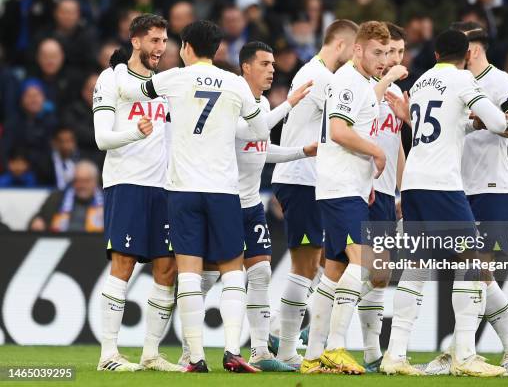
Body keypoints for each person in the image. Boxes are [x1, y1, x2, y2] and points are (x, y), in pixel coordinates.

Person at [113, 19, 269, 373]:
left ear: (185, 47)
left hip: (182, 189)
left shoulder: (172, 78)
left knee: (188, 273)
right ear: (215, 50)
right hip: (223, 190)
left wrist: (121, 66)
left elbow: (129, 91)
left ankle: (195, 358)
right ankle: (232, 352)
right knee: (232, 271)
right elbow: (259, 128)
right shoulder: (235, 83)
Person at [177, 41, 315, 372]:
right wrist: (289, 105)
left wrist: (301, 152)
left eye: (272, 64)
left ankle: (258, 351)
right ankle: (188, 350)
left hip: (252, 204)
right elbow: (245, 130)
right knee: (208, 280)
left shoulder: (262, 103)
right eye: (265, 64)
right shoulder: (232, 98)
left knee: (261, 272)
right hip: (223, 202)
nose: (272, 69)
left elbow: (260, 147)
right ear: (246, 68)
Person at [384, 29, 507, 377]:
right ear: (467, 54)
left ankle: (395, 355)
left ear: (436, 54)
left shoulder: (422, 82)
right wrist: (504, 122)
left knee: (416, 267)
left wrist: (471, 125)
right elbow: (497, 121)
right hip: (442, 185)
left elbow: (443, 126)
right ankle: (465, 355)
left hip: (413, 185)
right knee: (471, 262)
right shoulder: (463, 78)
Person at [414, 21, 508, 377]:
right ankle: (501, 349)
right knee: (473, 272)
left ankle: (464, 351)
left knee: (478, 271)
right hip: (456, 188)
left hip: (492, 187)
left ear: (473, 49)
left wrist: (486, 120)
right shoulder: (446, 82)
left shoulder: (501, 82)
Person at [303, 20, 405, 375]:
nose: (383, 59)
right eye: (376, 52)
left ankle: (313, 355)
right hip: (341, 187)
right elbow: (338, 129)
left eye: (386, 52)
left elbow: (365, 112)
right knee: (361, 262)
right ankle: (336, 347)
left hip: (354, 188)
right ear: (357, 49)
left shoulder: (363, 83)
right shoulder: (347, 80)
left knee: (334, 272)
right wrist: (377, 152)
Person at [93, 14, 182, 373]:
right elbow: (101, 139)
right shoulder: (111, 78)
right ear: (136, 41)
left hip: (163, 187)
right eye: (155, 41)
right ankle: (108, 354)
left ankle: (150, 353)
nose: (161, 48)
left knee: (167, 268)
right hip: (126, 181)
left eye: (164, 41)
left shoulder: (162, 85)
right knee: (124, 265)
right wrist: (135, 132)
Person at [270, 19, 358, 370]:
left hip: (309, 178)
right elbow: (345, 126)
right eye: (354, 51)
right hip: (301, 177)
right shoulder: (323, 78)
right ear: (340, 45)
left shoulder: (317, 73)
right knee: (306, 266)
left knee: (323, 263)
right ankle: (285, 343)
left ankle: (283, 330)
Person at [354, 22, 407, 373]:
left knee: (379, 275)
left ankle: (370, 351)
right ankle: (321, 328)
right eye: (387, 52)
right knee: (362, 269)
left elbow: (397, 144)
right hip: (360, 189)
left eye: (399, 52)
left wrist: (406, 190)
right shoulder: (361, 84)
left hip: (387, 192)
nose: (392, 59)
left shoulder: (399, 94)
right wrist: (387, 82)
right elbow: (357, 118)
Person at [29, 160, 103, 232]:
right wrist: (36, 222)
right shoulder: (56, 198)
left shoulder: (107, 200)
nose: (81, 185)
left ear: (95, 181)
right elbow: (39, 217)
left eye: (86, 181)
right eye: (78, 181)